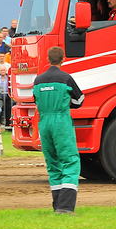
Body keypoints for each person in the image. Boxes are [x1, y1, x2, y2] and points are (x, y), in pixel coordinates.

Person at [32, 46, 84, 214]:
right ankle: (66, 207)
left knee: (53, 163)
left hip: (44, 121)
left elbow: (35, 99)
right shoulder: (66, 78)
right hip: (61, 121)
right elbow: (80, 100)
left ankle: (57, 205)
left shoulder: (38, 80)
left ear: (47, 60)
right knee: (70, 161)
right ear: (63, 60)